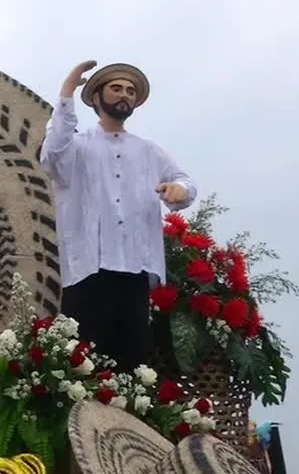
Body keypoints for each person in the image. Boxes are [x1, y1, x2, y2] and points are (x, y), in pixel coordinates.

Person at [39, 61, 196, 372]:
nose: (125, 95)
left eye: (130, 91)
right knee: (83, 369)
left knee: (132, 367)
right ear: (96, 97)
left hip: (135, 270)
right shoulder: (76, 148)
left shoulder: (149, 151)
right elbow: (51, 154)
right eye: (116, 88)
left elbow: (186, 182)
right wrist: (67, 91)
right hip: (88, 271)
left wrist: (179, 189)